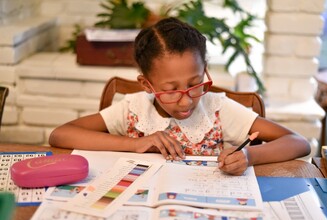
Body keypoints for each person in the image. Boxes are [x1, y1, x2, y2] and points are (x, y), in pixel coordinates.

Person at [49, 17, 310, 176]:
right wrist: (135, 143)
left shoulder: (217, 109)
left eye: (195, 84)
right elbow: (60, 135)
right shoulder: (134, 109)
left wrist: (249, 157)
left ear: (204, 70)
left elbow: (298, 142)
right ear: (147, 84)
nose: (186, 101)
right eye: (171, 90)